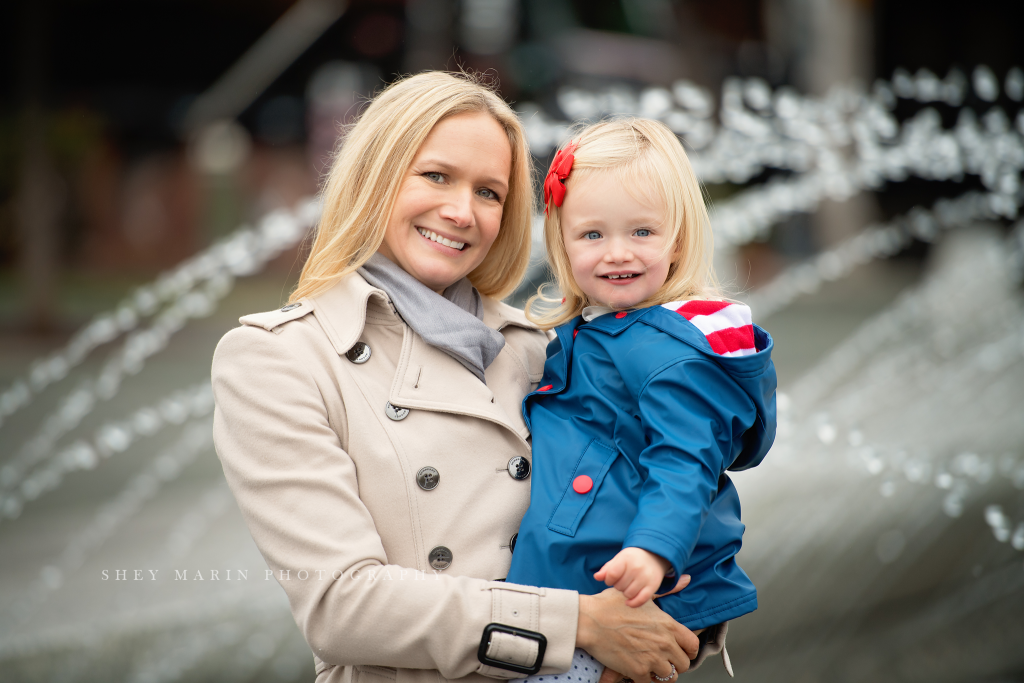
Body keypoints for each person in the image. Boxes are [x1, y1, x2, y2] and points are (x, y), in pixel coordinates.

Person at [211, 72, 699, 683]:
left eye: (490, 193)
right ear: (376, 177)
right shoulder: (279, 359)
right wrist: (577, 625)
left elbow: (665, 488)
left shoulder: (544, 347)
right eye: (436, 176)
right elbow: (341, 608)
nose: (461, 212)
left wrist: (671, 616)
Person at [505, 118, 778, 681]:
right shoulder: (603, 326)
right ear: (561, 242)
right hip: (583, 572)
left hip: (625, 579)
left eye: (642, 233)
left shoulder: (670, 348)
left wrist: (654, 549)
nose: (617, 253)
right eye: (592, 235)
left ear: (678, 238)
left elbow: (685, 459)